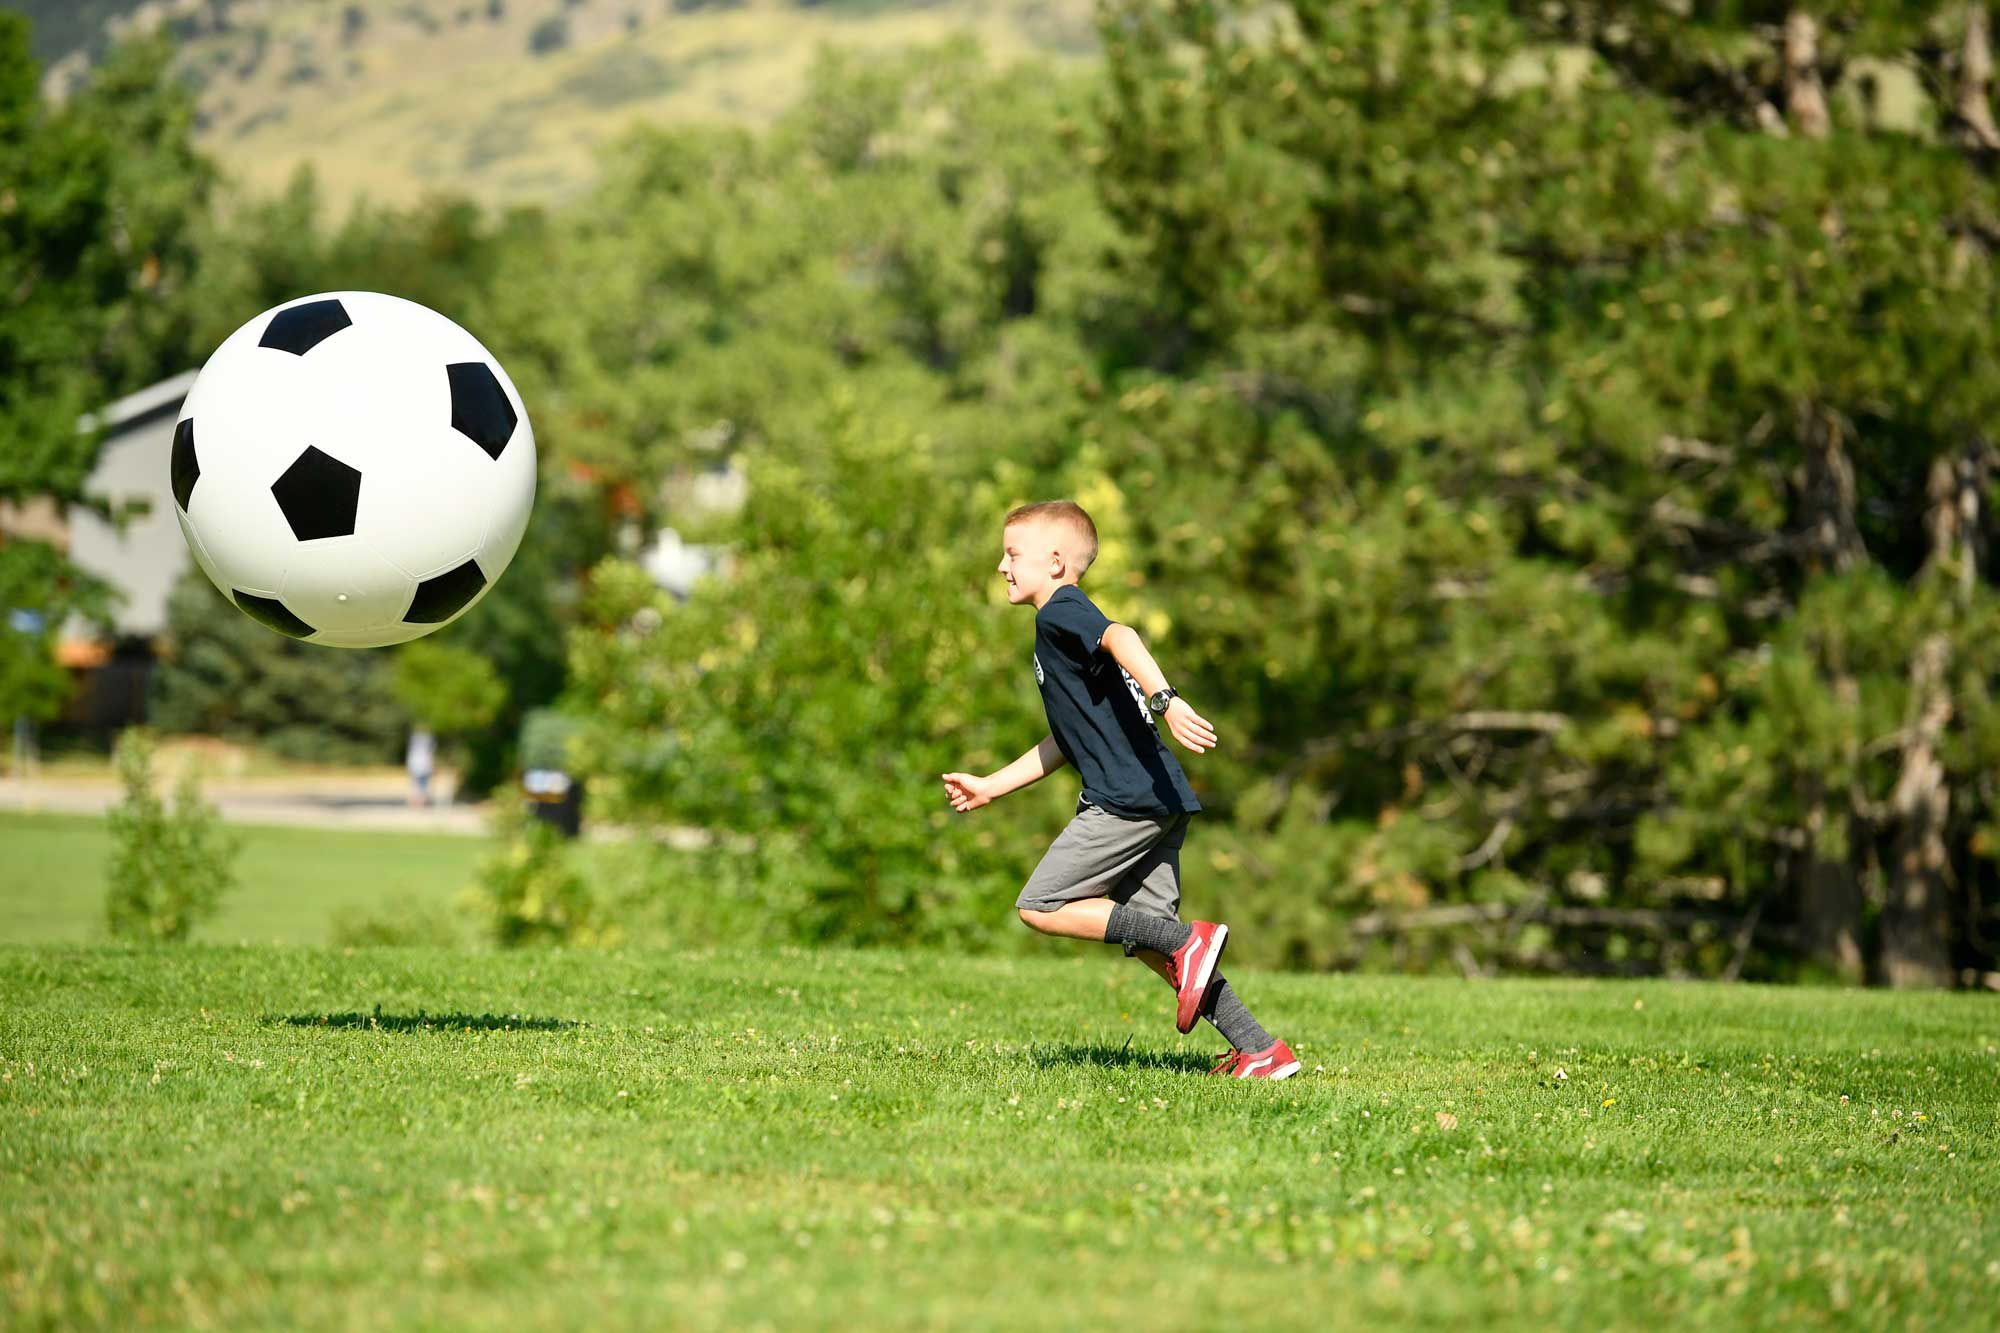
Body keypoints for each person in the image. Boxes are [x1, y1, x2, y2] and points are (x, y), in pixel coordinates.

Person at [942, 500, 1300, 1080]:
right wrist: (990, 787)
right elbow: (1064, 742)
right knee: (1164, 952)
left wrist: (1166, 698)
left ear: (1055, 561)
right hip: (1160, 797)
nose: (1001, 566)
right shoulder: (1062, 634)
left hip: (1124, 801)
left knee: (1041, 905)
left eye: (1012, 554)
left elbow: (1123, 634)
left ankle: (1190, 941)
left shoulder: (1060, 613)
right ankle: (1261, 1050)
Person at [405, 725, 436, 808]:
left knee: (416, 785)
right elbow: (430, 754)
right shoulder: (428, 739)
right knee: (422, 785)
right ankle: (419, 803)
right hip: (423, 765)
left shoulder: (414, 739)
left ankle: (417, 803)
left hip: (417, 765)